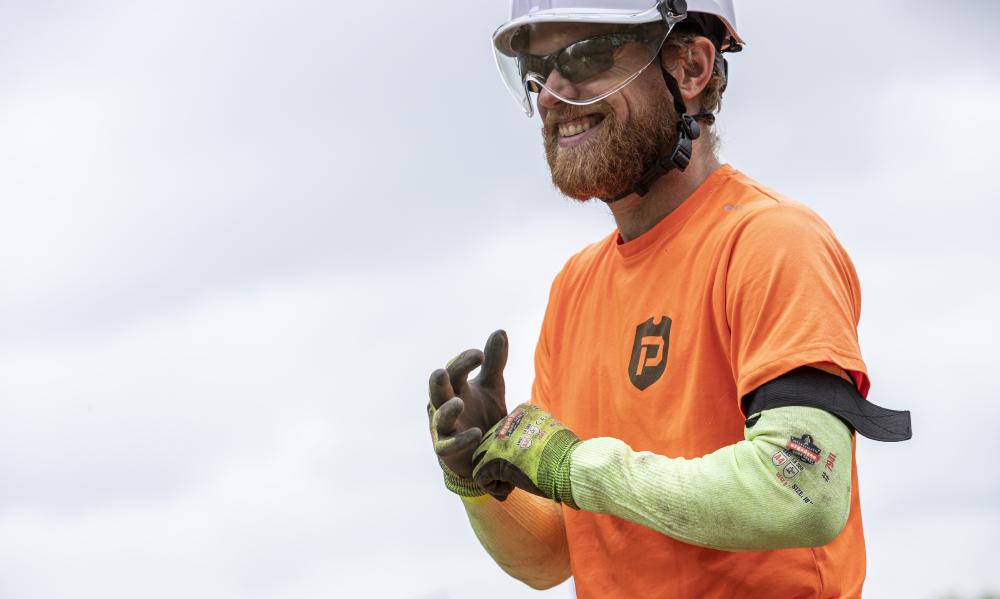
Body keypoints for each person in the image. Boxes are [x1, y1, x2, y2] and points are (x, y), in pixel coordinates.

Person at [425, 1, 912, 597]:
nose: (552, 92)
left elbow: (802, 489)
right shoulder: (575, 288)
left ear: (691, 67)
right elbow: (552, 554)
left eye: (586, 55)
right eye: (536, 68)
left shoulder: (769, 242)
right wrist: (482, 478)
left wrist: (573, 466)